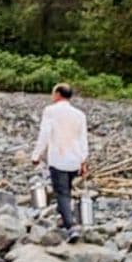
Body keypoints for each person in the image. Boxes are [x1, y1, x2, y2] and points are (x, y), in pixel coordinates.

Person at [31, 83, 89, 243]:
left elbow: (45, 134)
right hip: (75, 159)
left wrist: (36, 155)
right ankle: (64, 219)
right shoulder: (79, 114)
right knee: (67, 190)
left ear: (57, 94)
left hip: (58, 158)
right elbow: (83, 139)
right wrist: (84, 161)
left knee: (62, 192)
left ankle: (71, 227)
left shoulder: (50, 111)